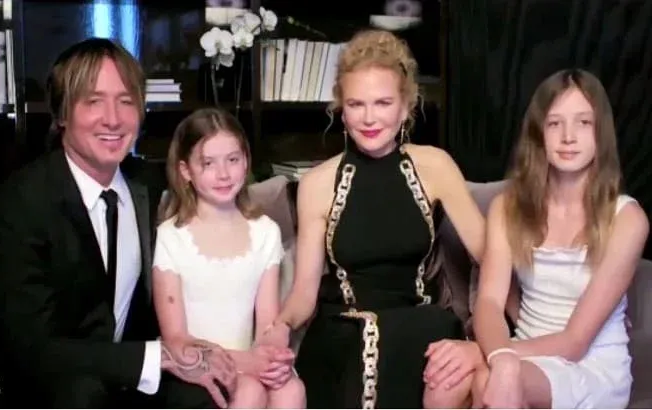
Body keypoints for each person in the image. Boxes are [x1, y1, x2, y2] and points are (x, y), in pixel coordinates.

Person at [0, 38, 237, 408]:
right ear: (62, 114)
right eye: (93, 101)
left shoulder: (151, 185)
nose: (113, 118)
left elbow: (226, 205)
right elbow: (32, 347)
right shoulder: (19, 203)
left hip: (121, 374)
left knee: (203, 395)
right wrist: (156, 356)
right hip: (20, 381)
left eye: (126, 101)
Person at [259, 29, 487, 408]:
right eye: (356, 104)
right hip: (344, 327)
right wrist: (281, 326)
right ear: (341, 109)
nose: (369, 118)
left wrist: (496, 340)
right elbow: (304, 294)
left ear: (405, 106)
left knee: (421, 334)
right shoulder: (316, 184)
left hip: (419, 323)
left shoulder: (436, 166)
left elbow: (491, 254)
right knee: (367, 335)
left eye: (383, 103)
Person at [472, 69, 648, 409]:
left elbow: (575, 342)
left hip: (591, 367)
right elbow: (490, 302)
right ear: (539, 133)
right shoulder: (506, 208)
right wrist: (498, 354)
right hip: (524, 356)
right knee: (447, 380)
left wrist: (488, 354)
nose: (568, 136)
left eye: (583, 123)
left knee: (487, 378)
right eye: (555, 123)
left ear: (600, 133)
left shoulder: (627, 219)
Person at [151, 107, 306, 409]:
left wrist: (273, 359)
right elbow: (177, 339)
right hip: (193, 365)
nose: (223, 174)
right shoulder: (171, 236)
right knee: (249, 391)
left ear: (246, 161)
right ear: (186, 171)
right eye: (208, 163)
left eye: (233, 160)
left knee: (291, 390)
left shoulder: (265, 232)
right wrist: (247, 362)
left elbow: (266, 324)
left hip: (250, 357)